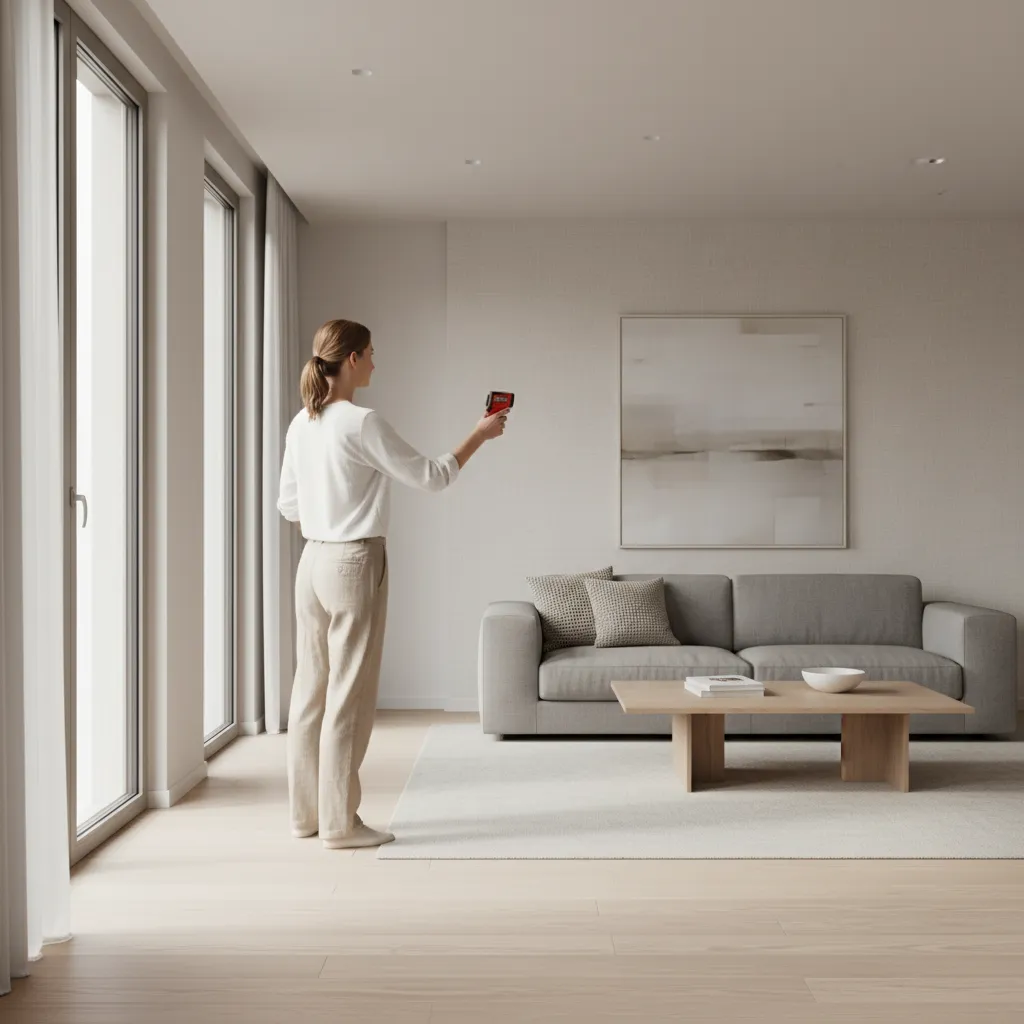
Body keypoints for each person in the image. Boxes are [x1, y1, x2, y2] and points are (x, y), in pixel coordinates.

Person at [277, 318, 508, 849]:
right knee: (348, 696)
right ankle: (339, 824)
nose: (377, 362)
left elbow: (288, 504)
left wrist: (327, 514)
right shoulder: (360, 422)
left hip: (311, 562)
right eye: (372, 353)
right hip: (354, 562)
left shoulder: (301, 424)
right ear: (352, 360)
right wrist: (480, 433)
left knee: (309, 689)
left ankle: (305, 816)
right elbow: (433, 476)